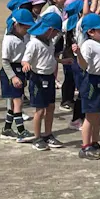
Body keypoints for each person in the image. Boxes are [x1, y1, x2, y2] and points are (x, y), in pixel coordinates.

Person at [22, 11, 63, 151]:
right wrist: (26, 64)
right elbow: (25, 59)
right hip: (38, 78)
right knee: (40, 110)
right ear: (50, 30)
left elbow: (50, 58)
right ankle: (37, 137)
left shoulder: (50, 43)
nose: (56, 35)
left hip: (49, 77)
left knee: (51, 107)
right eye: (56, 32)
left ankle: (48, 134)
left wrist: (62, 61)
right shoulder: (34, 43)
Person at [76, 13, 100, 159]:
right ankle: (85, 146)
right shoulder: (88, 45)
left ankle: (95, 142)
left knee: (98, 115)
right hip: (92, 81)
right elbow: (84, 66)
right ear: (91, 32)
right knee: (90, 116)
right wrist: (78, 54)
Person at [0, 5, 34, 142]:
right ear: (16, 25)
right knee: (17, 100)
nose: (27, 30)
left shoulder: (23, 38)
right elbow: (5, 61)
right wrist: (12, 77)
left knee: (15, 102)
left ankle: (7, 129)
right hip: (11, 71)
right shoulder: (9, 39)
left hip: (20, 69)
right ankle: (21, 131)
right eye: (25, 27)